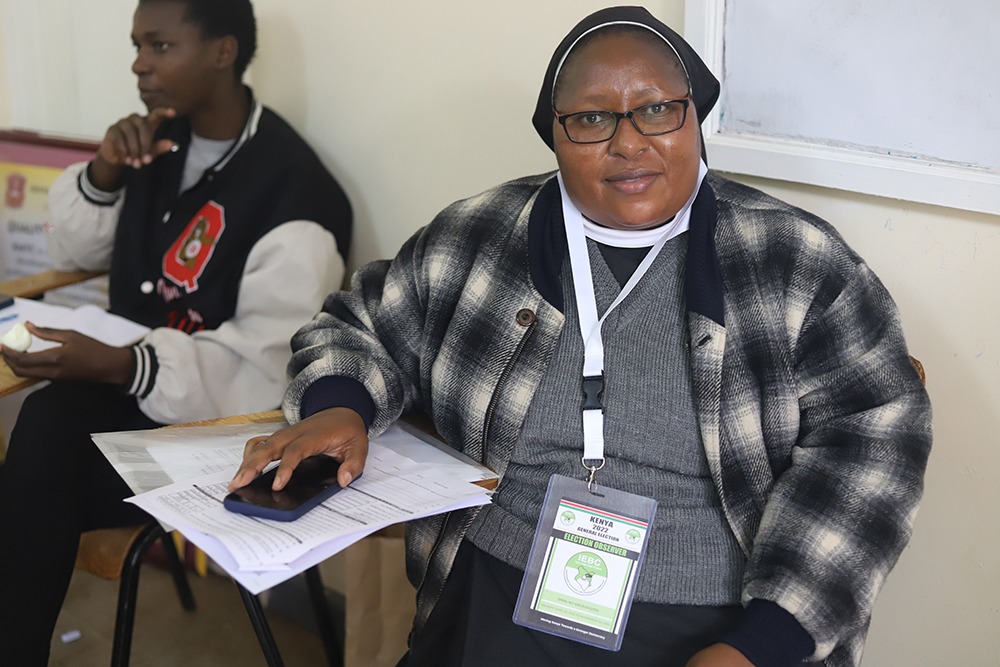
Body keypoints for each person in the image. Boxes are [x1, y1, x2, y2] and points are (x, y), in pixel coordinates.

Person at [229, 7, 931, 667]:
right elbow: (357, 322)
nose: (629, 141)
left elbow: (875, 442)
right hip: (495, 591)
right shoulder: (479, 234)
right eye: (592, 119)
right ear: (556, 134)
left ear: (694, 117)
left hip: (714, 620)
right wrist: (339, 404)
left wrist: (762, 643)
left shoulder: (794, 259)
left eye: (657, 109)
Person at [0, 0, 351, 662]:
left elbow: (263, 371)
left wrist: (123, 364)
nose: (138, 64)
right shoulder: (159, 142)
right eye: (137, 45)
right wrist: (104, 171)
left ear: (222, 50)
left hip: (221, 434)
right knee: (39, 452)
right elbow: (67, 246)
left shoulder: (297, 196)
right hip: (125, 405)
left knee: (38, 461)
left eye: (159, 46)